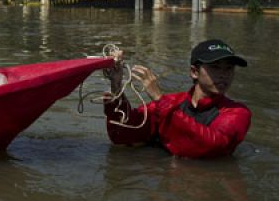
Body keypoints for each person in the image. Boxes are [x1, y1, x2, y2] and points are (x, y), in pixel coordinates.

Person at [103, 39, 251, 158]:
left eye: (229, 68)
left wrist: (160, 100)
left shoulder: (238, 112)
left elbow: (212, 146)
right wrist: (116, 86)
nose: (224, 74)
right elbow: (123, 134)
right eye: (215, 67)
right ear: (194, 72)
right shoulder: (172, 102)